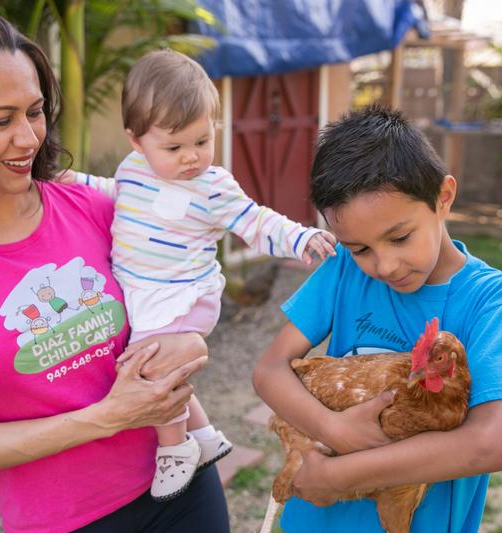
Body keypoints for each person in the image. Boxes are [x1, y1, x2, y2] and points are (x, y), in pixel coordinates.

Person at [0, 8, 230, 533]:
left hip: (183, 491)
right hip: (61, 522)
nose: (28, 138)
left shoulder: (97, 207)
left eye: (35, 112)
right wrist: (106, 417)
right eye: (0, 119)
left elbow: (185, 288)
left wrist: (193, 339)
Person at [252, 106, 502, 533]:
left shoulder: (492, 299)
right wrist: (335, 430)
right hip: (315, 520)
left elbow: (493, 443)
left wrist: (339, 474)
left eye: (400, 237)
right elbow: (269, 370)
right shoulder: (342, 270)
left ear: (443, 198)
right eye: (360, 248)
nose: (385, 266)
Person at [72, 49, 337, 501]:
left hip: (184, 293)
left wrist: (298, 238)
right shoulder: (134, 169)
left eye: (202, 140)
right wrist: (73, 181)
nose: (191, 157)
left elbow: (256, 221)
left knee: (151, 366)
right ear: (136, 141)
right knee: (160, 364)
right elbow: (116, 193)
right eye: (174, 148)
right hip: (144, 292)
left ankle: (176, 449)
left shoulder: (213, 187)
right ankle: (207, 435)